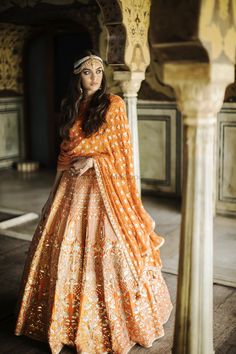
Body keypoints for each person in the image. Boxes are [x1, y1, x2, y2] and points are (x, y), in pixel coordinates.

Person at [15, 49, 172, 354]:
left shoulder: (113, 105)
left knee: (108, 254)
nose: (94, 77)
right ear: (77, 77)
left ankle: (115, 322)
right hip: (71, 192)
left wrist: (93, 162)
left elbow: (122, 152)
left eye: (98, 71)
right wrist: (52, 196)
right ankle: (67, 323)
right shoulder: (71, 107)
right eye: (87, 72)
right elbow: (64, 155)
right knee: (61, 251)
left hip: (104, 191)